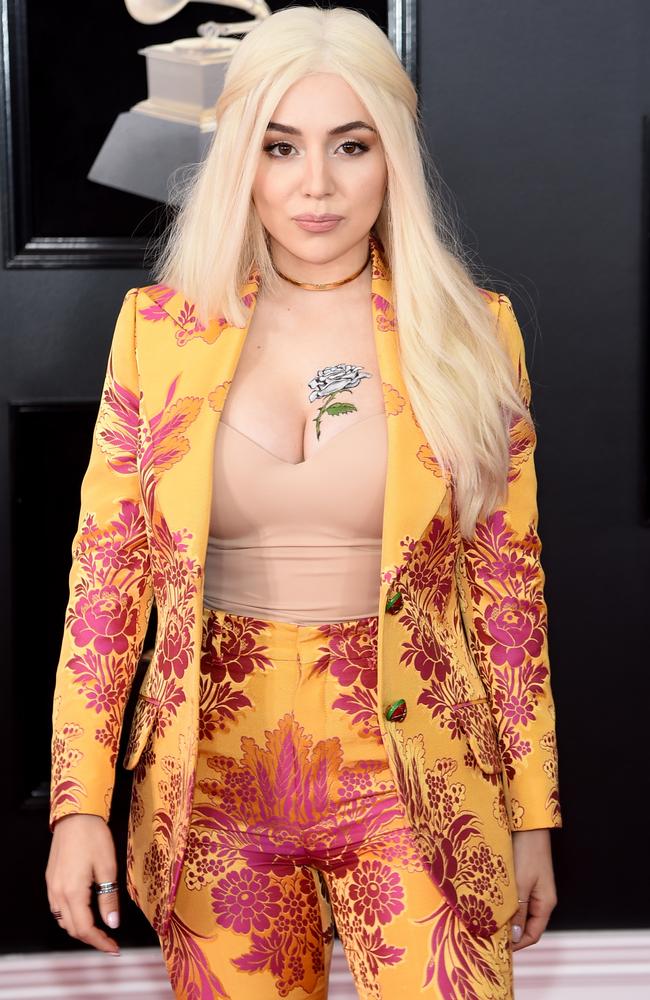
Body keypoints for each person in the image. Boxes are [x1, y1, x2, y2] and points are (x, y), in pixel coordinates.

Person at [45, 6, 562, 998]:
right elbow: (108, 581)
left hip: (418, 784)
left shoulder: (470, 334)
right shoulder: (158, 331)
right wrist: (80, 804)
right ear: (242, 154)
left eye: (349, 145)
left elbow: (505, 588)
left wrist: (531, 812)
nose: (314, 184)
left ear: (391, 159)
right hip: (211, 791)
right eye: (281, 146)